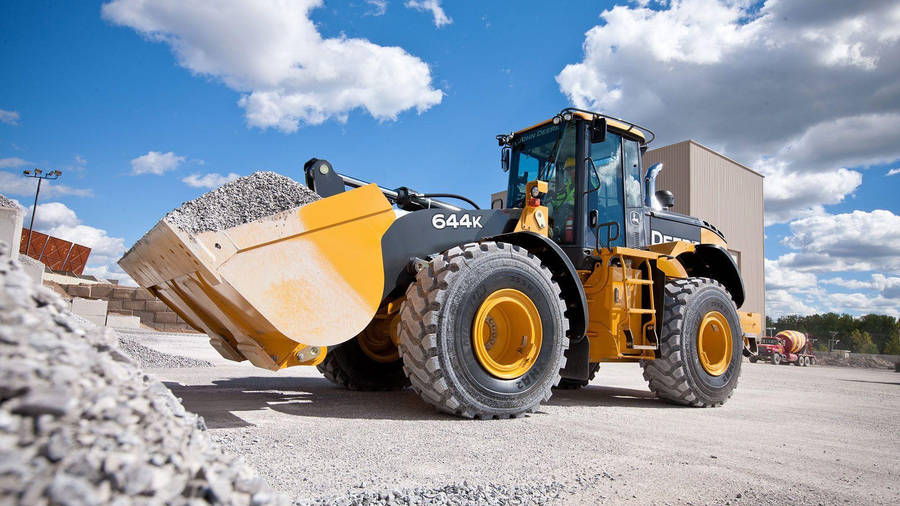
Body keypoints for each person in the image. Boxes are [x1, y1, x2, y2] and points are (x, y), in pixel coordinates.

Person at [549, 158, 576, 242]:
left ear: (577, 169)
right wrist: (552, 200)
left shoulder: (587, 182)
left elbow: (589, 200)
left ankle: (555, 235)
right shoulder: (568, 185)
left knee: (563, 209)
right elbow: (561, 200)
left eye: (570, 168)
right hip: (567, 209)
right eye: (567, 169)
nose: (568, 172)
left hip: (579, 211)